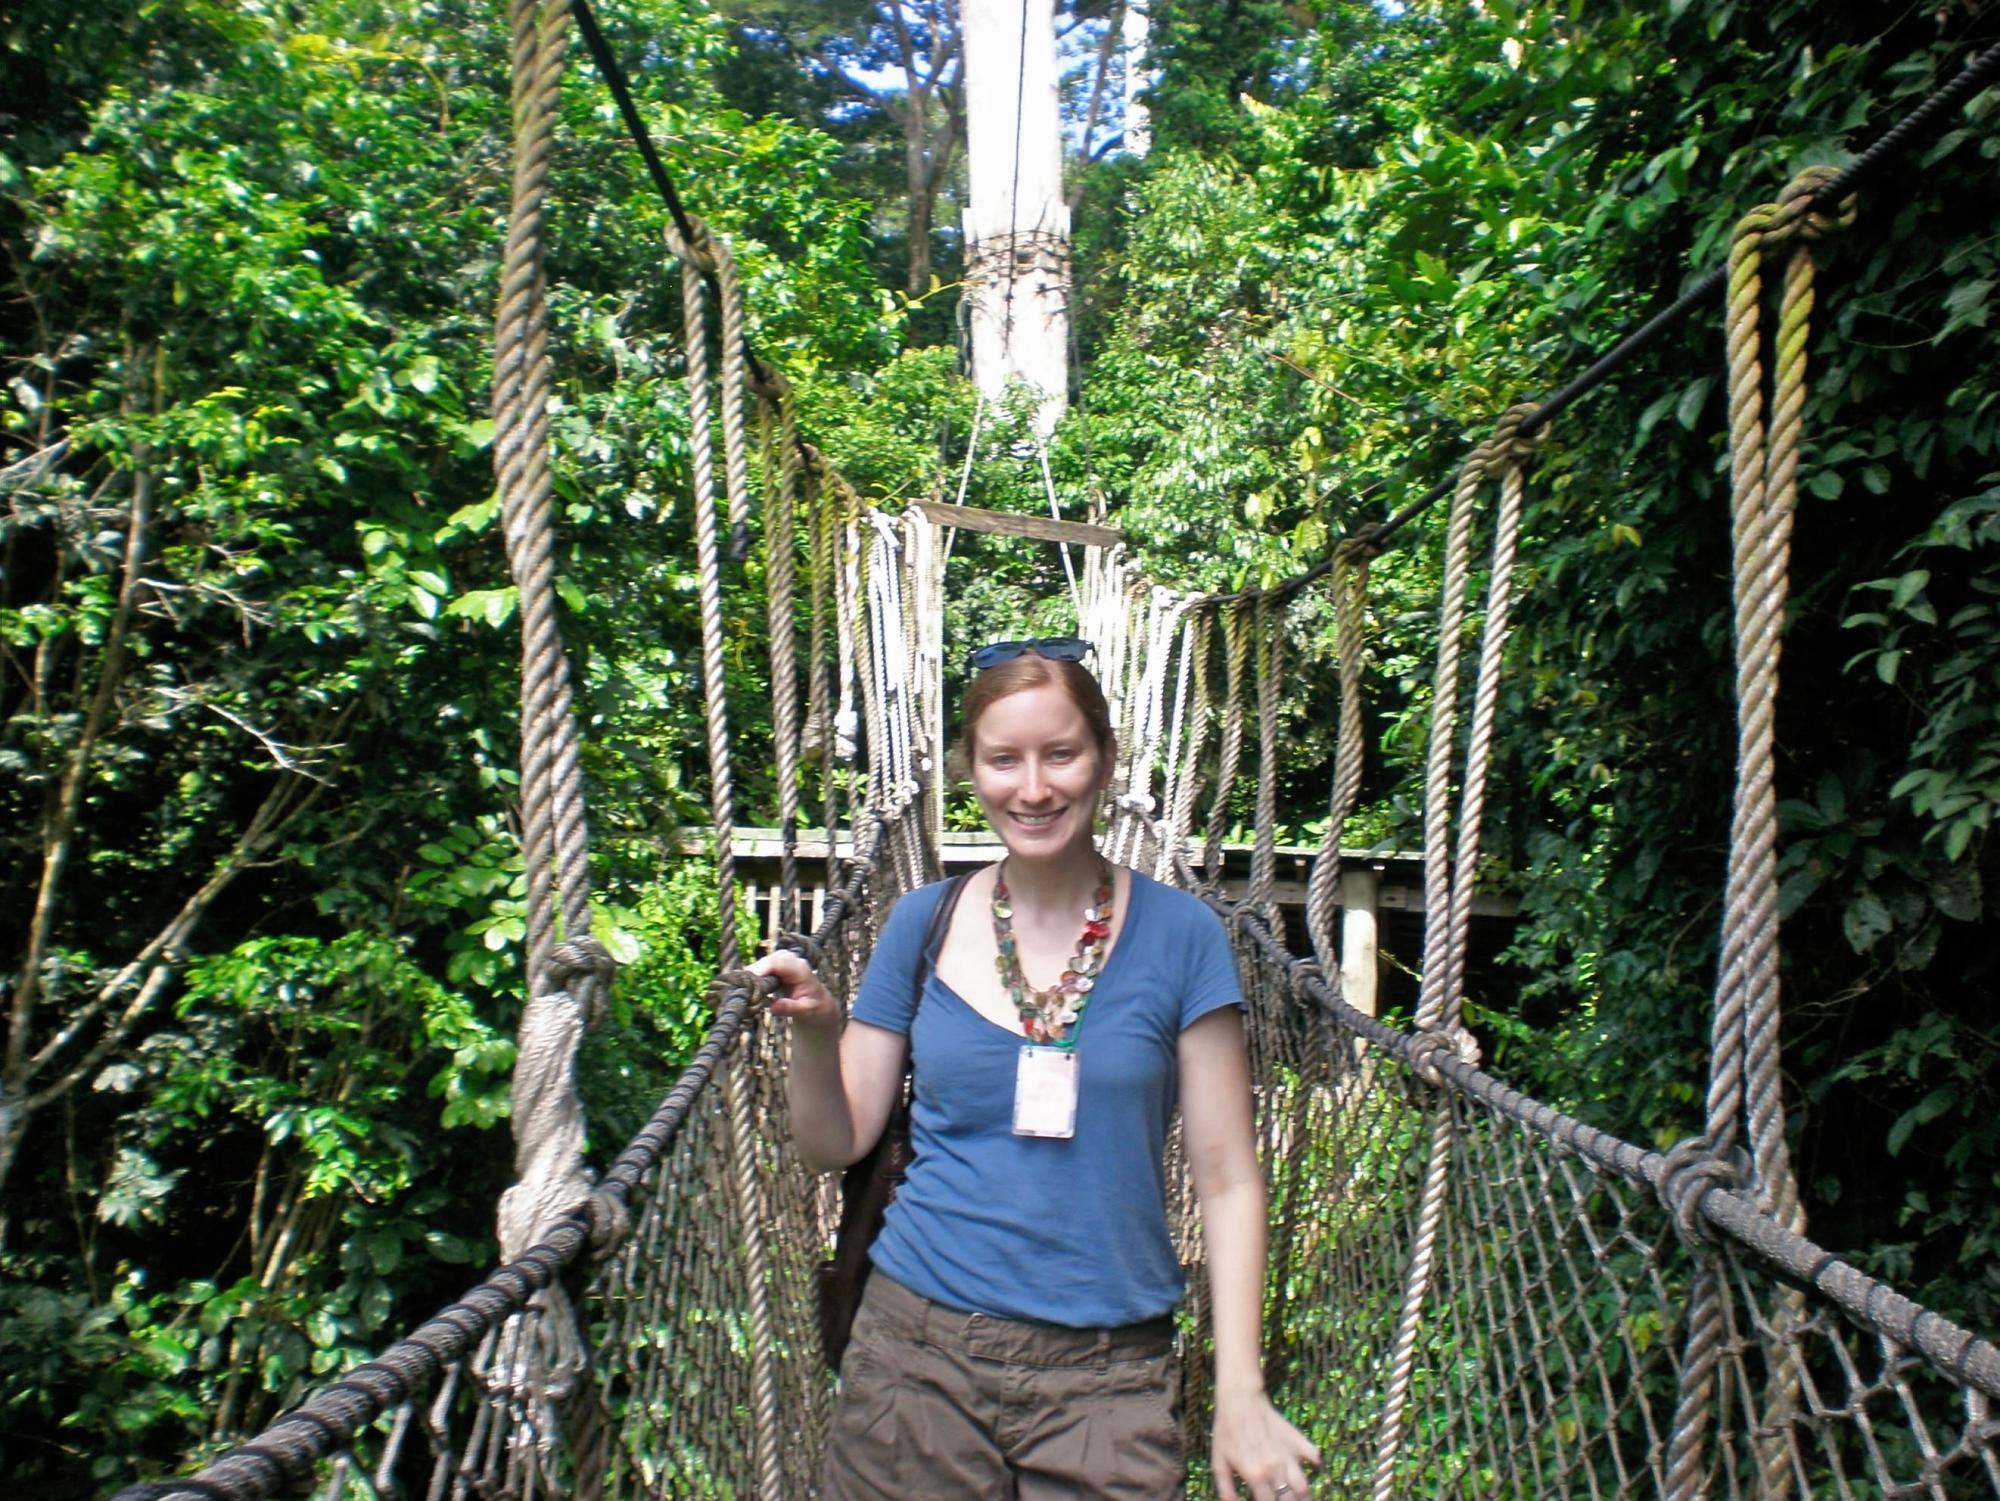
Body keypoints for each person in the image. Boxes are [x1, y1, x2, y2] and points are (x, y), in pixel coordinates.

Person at [751, 637, 1320, 1501]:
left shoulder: (1183, 935)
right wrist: (817, 1032)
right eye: (1003, 759)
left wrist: (1240, 1389)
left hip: (1108, 1379)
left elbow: (1228, 1177)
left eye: (1061, 753)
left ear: (1104, 760)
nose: (1033, 787)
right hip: (916, 1355)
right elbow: (834, 1143)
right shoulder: (921, 923)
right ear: (970, 770)